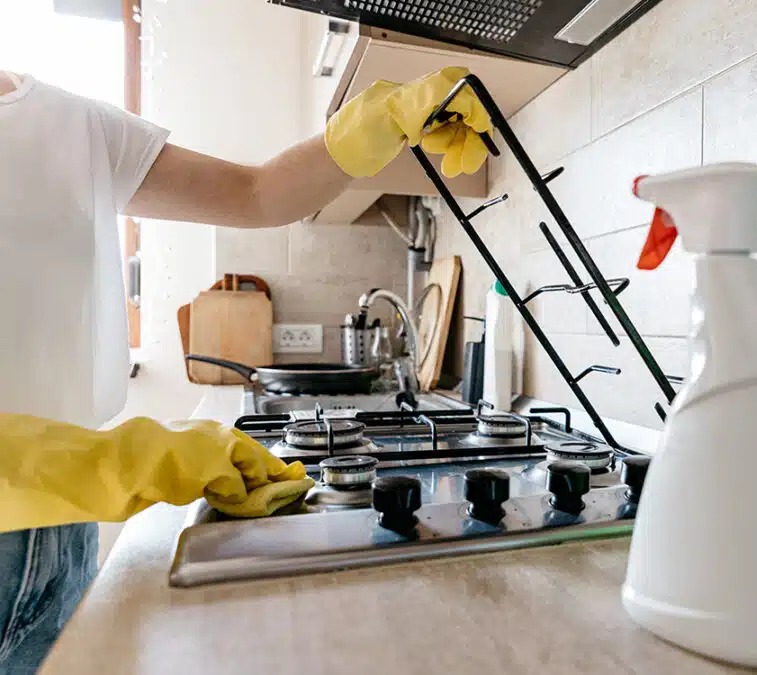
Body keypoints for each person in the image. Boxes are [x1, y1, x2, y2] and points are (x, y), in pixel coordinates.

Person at [0, 65, 491, 673]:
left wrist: (375, 123)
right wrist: (109, 460)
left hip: (62, 520)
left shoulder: (68, 122)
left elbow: (254, 194)